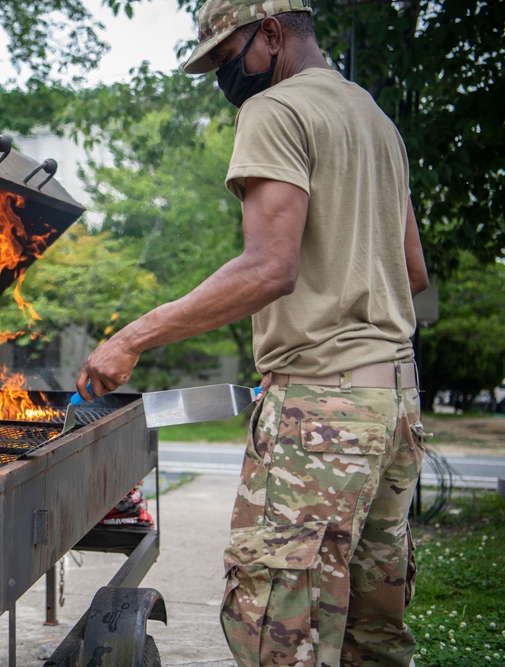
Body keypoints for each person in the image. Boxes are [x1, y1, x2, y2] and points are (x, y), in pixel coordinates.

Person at [75, 1, 430, 665]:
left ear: (272, 33)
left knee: (281, 637)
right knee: (372, 639)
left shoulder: (275, 110)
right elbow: (411, 270)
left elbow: (270, 266)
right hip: (396, 406)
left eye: (224, 56)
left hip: (324, 414)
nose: (222, 76)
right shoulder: (377, 122)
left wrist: (130, 338)